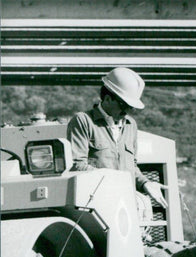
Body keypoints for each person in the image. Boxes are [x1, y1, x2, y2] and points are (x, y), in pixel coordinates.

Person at [66, 66, 167, 208]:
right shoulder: (83, 121)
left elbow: (132, 166)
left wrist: (145, 183)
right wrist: (113, 178)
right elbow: (77, 165)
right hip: (97, 203)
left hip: (126, 202)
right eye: (125, 105)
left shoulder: (131, 124)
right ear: (107, 99)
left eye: (132, 107)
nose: (129, 111)